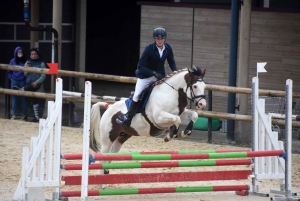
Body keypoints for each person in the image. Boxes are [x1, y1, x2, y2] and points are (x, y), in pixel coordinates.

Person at [116, 27, 177, 130]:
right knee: (137, 95)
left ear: (165, 39)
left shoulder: (168, 48)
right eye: (158, 39)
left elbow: (171, 62)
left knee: (167, 92)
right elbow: (140, 66)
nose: (160, 40)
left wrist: (175, 72)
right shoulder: (149, 49)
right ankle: (128, 118)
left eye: (162, 38)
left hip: (160, 76)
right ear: (154, 39)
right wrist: (153, 73)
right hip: (145, 76)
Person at [14, 48, 47, 122]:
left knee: (32, 94)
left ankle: (21, 89)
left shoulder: (41, 63)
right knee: (33, 99)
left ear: (37, 54)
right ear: (30, 55)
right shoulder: (27, 62)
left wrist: (36, 82)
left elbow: (43, 76)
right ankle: (37, 117)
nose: (34, 55)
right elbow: (25, 74)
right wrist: (28, 68)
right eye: (32, 54)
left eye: (35, 54)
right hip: (29, 82)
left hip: (37, 83)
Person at [8, 46, 27, 120]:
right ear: (16, 53)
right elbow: (9, 71)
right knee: (14, 98)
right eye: (19, 52)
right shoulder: (12, 61)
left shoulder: (25, 61)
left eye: (21, 52)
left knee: (23, 98)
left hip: (23, 80)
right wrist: (11, 78)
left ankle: (24, 114)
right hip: (14, 80)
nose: (20, 53)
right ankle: (14, 114)